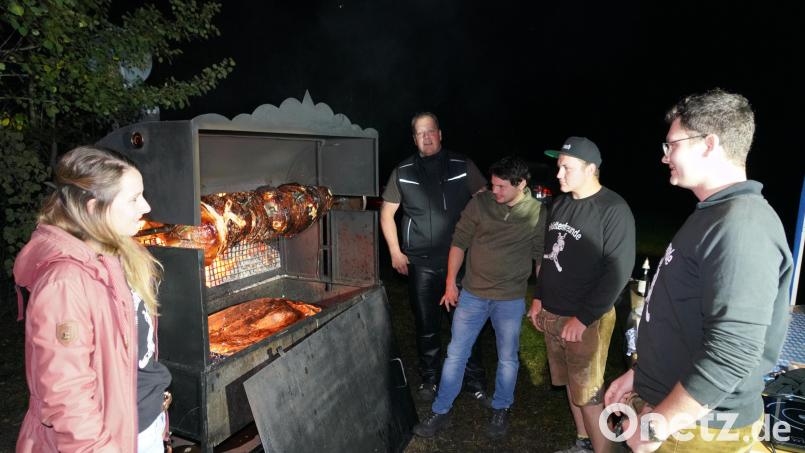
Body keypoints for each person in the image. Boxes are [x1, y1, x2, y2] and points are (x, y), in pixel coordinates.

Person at [604, 89, 793, 453]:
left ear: (708, 144)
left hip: (700, 429)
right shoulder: (712, 215)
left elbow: (734, 349)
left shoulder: (742, 224)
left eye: (672, 144)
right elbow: (684, 318)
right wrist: (639, 376)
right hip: (674, 411)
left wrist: (658, 425)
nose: (665, 157)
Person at [14, 147, 172, 452]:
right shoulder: (65, 283)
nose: (146, 205)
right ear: (93, 208)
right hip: (107, 441)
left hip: (142, 426)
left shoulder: (121, 254)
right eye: (133, 198)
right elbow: (66, 397)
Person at [413, 156, 546, 440]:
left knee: (508, 358)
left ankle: (501, 407)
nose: (493, 191)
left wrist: (540, 297)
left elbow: (539, 257)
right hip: (472, 294)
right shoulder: (480, 203)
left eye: (500, 187)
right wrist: (451, 283)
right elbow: (459, 241)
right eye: (492, 184)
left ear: (520, 184)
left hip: (509, 299)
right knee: (456, 353)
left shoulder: (536, 212)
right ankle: (442, 409)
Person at [528, 136, 636, 453]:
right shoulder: (560, 203)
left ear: (590, 169)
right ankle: (583, 443)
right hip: (553, 312)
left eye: (566, 168)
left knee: (589, 394)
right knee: (572, 389)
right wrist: (538, 298)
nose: (558, 174)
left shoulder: (612, 209)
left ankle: (605, 449)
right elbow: (549, 257)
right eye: (559, 167)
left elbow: (617, 272)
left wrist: (583, 317)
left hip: (587, 319)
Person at [380, 112, 489, 403]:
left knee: (466, 324)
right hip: (421, 264)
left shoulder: (462, 165)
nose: (426, 137)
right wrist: (394, 250)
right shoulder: (403, 171)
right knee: (426, 325)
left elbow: (486, 202)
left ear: (440, 133)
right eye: (420, 133)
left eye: (430, 131)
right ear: (413, 138)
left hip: (461, 263)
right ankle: (430, 378)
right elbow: (387, 213)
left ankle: (474, 378)